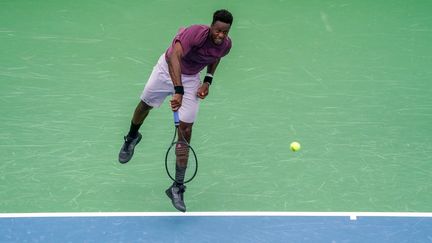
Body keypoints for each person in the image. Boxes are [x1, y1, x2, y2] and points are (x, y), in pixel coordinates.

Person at [118, 9, 233, 212]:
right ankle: (132, 137)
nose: (220, 35)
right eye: (217, 31)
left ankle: (177, 187)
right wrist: (177, 90)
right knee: (145, 105)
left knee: (186, 131)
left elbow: (217, 56)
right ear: (211, 26)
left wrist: (208, 80)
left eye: (225, 32)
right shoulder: (195, 33)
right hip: (166, 69)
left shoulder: (225, 45)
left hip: (190, 78)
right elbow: (174, 58)